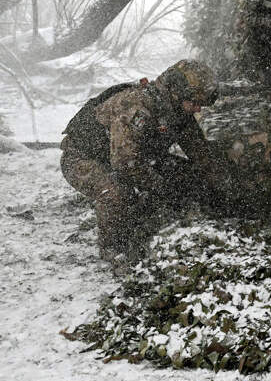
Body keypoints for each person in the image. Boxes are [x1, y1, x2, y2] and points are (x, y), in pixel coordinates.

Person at [60, 60, 219, 260]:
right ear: (176, 92)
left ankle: (148, 217)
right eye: (195, 102)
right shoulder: (135, 105)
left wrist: (222, 188)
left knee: (187, 175)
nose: (198, 109)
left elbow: (202, 155)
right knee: (118, 194)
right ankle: (115, 250)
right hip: (82, 158)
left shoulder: (178, 110)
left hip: (132, 159)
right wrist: (162, 188)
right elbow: (126, 164)